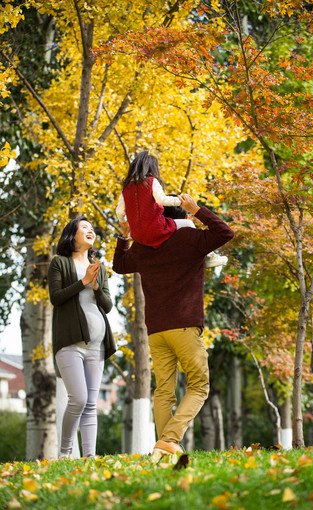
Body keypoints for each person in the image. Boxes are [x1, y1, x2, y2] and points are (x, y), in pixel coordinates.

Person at [112, 194, 235, 457]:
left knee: (164, 391)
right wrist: (198, 210)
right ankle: (169, 439)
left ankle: (163, 451)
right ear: (184, 218)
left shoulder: (145, 246)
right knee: (199, 385)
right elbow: (226, 233)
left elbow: (120, 265)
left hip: (156, 330)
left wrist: (124, 236)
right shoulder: (190, 239)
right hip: (185, 326)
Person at [48, 216, 116, 459]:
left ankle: (89, 457)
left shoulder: (100, 267)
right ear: (72, 234)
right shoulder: (59, 262)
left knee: (90, 405)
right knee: (78, 398)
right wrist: (83, 281)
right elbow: (56, 297)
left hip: (97, 344)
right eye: (84, 227)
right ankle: (65, 453)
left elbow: (107, 306)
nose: (91, 230)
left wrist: (96, 286)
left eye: (92, 228)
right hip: (69, 343)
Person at [116, 150, 228, 267]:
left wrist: (124, 222)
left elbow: (119, 211)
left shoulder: (126, 189)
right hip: (154, 229)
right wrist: (180, 201)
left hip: (137, 236)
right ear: (152, 168)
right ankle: (209, 256)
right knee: (187, 224)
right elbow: (162, 200)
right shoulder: (151, 181)